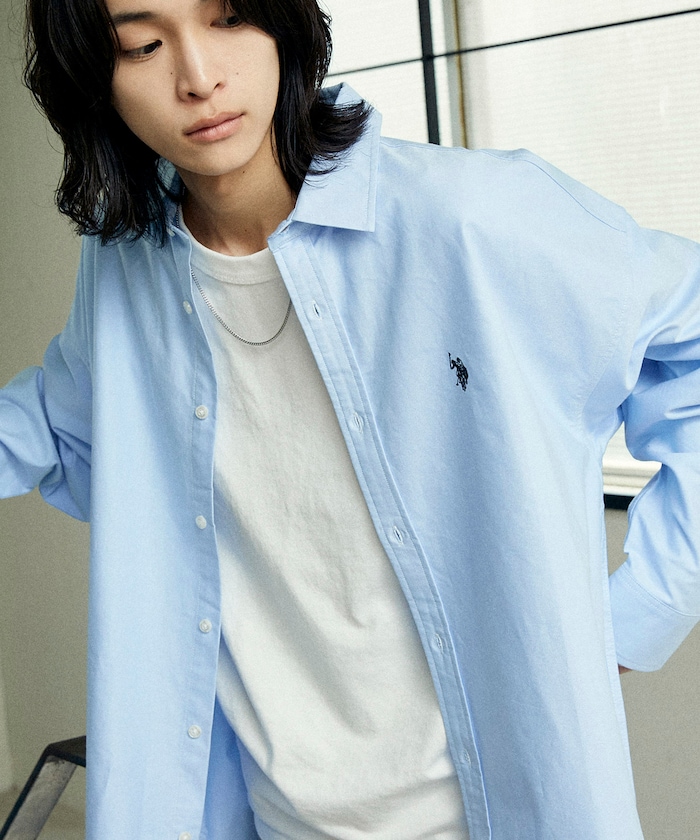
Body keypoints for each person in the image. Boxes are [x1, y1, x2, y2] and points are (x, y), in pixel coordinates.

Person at [2, 0, 699, 837]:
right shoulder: (127, 262)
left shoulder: (466, 216)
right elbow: (66, 420)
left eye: (229, 19)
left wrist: (638, 614)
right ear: (93, 75)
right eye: (142, 45)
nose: (199, 77)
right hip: (276, 816)